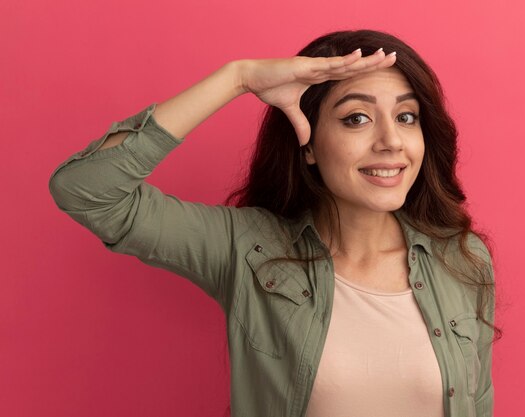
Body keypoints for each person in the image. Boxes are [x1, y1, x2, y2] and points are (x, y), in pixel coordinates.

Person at [49, 29, 499, 417]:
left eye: (407, 116)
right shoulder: (248, 248)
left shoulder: (461, 257)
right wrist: (238, 77)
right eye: (357, 118)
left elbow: (477, 402)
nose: (391, 141)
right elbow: (87, 189)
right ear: (308, 145)